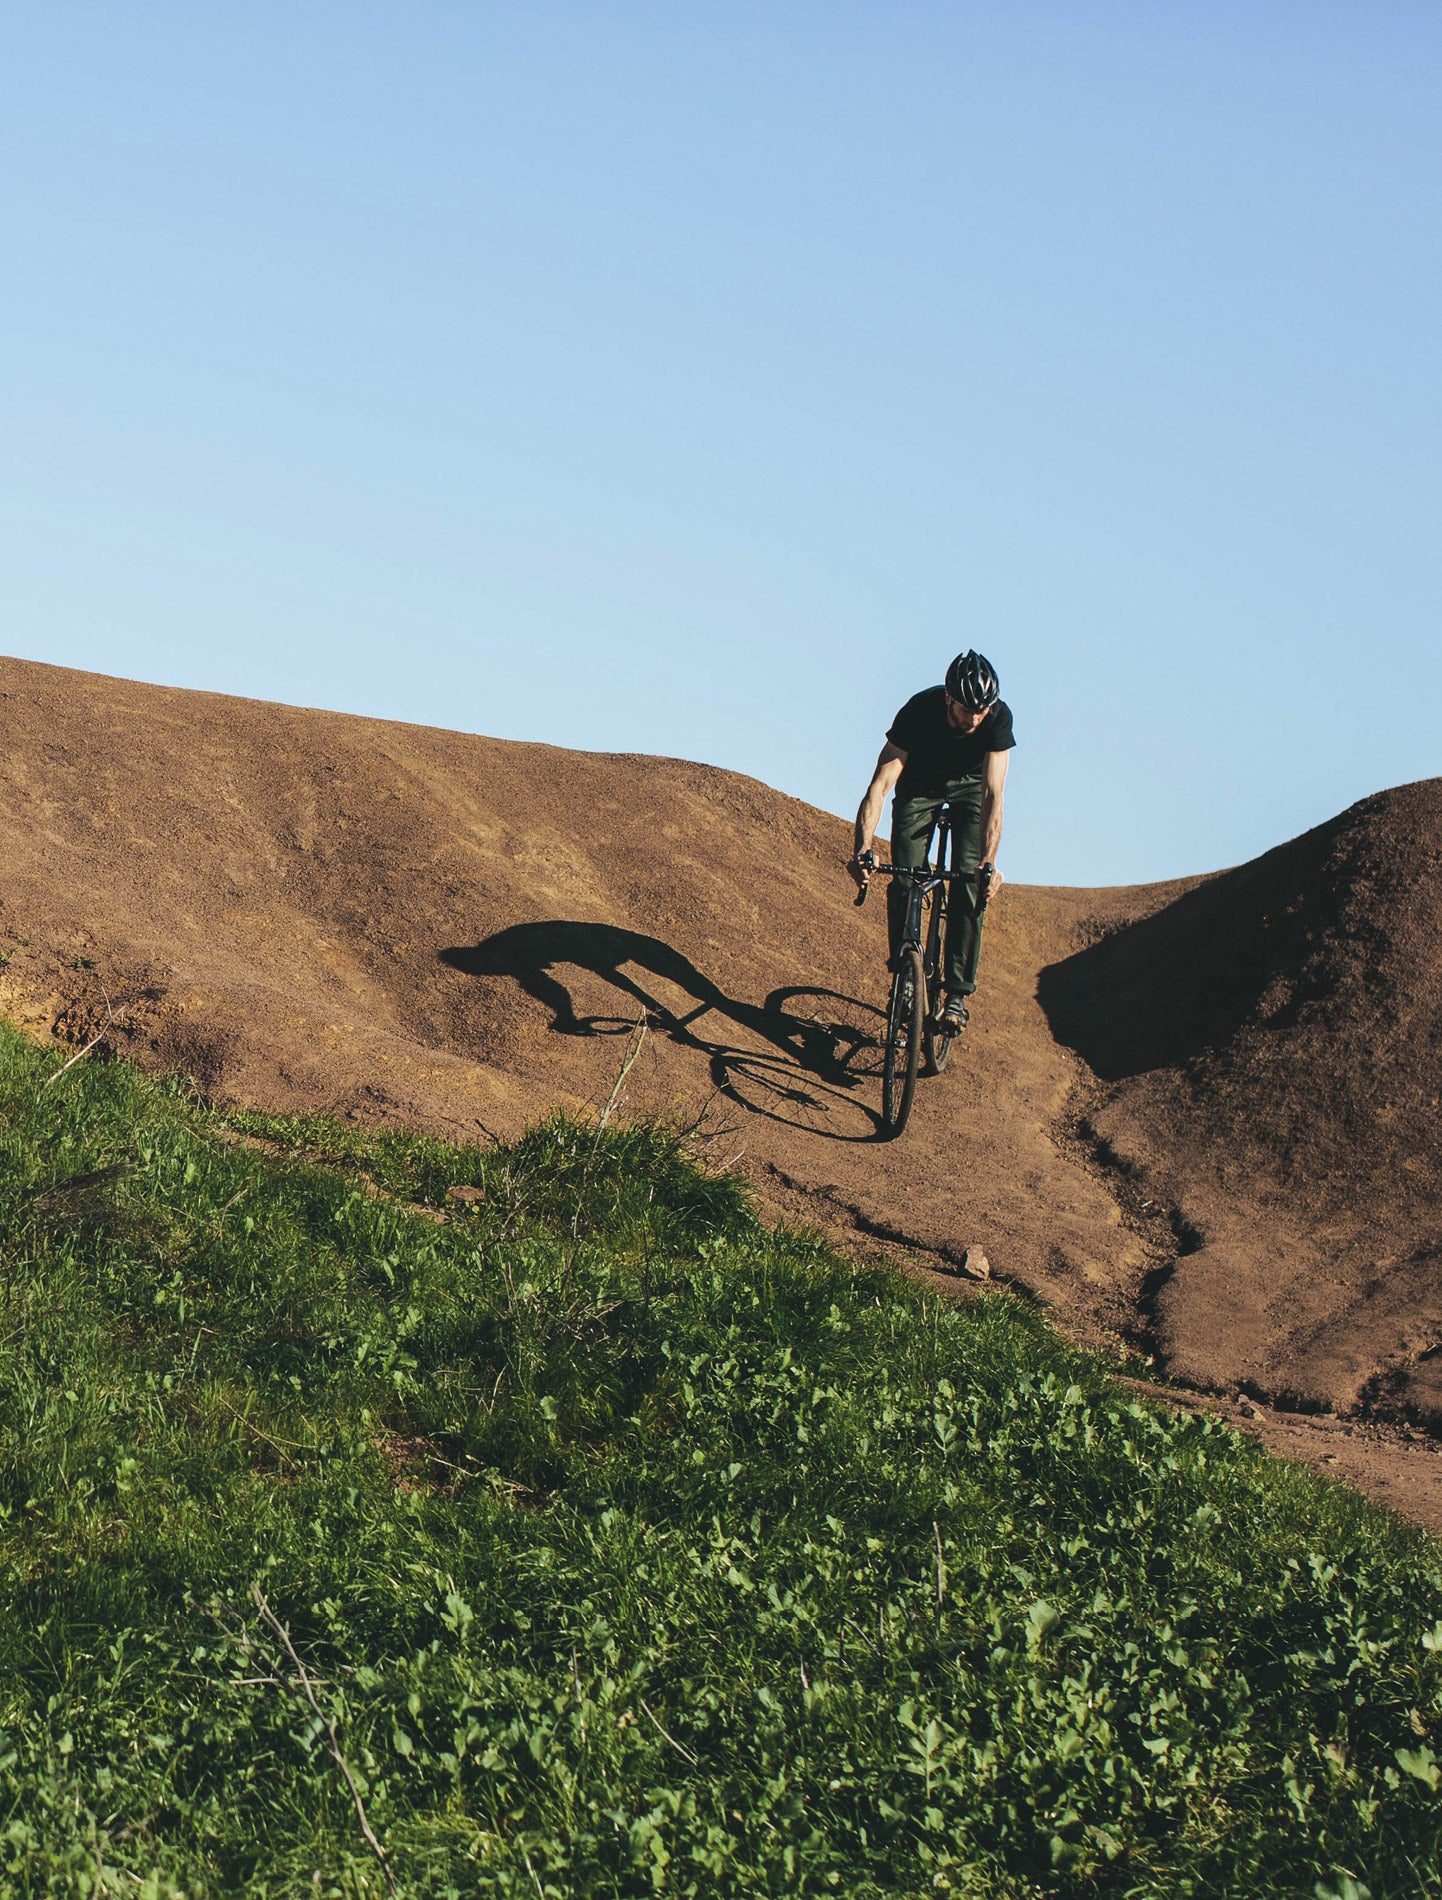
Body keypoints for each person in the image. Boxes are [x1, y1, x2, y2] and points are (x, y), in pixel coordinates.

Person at [848, 650, 1015, 1033]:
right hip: (920, 784)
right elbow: (880, 786)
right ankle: (905, 974)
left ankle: (956, 994)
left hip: (971, 790)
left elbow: (993, 794)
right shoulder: (917, 713)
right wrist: (861, 848)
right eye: (964, 710)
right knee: (905, 875)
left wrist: (988, 862)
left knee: (970, 882)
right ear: (947, 698)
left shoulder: (997, 719)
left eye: (981, 711)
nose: (973, 719)